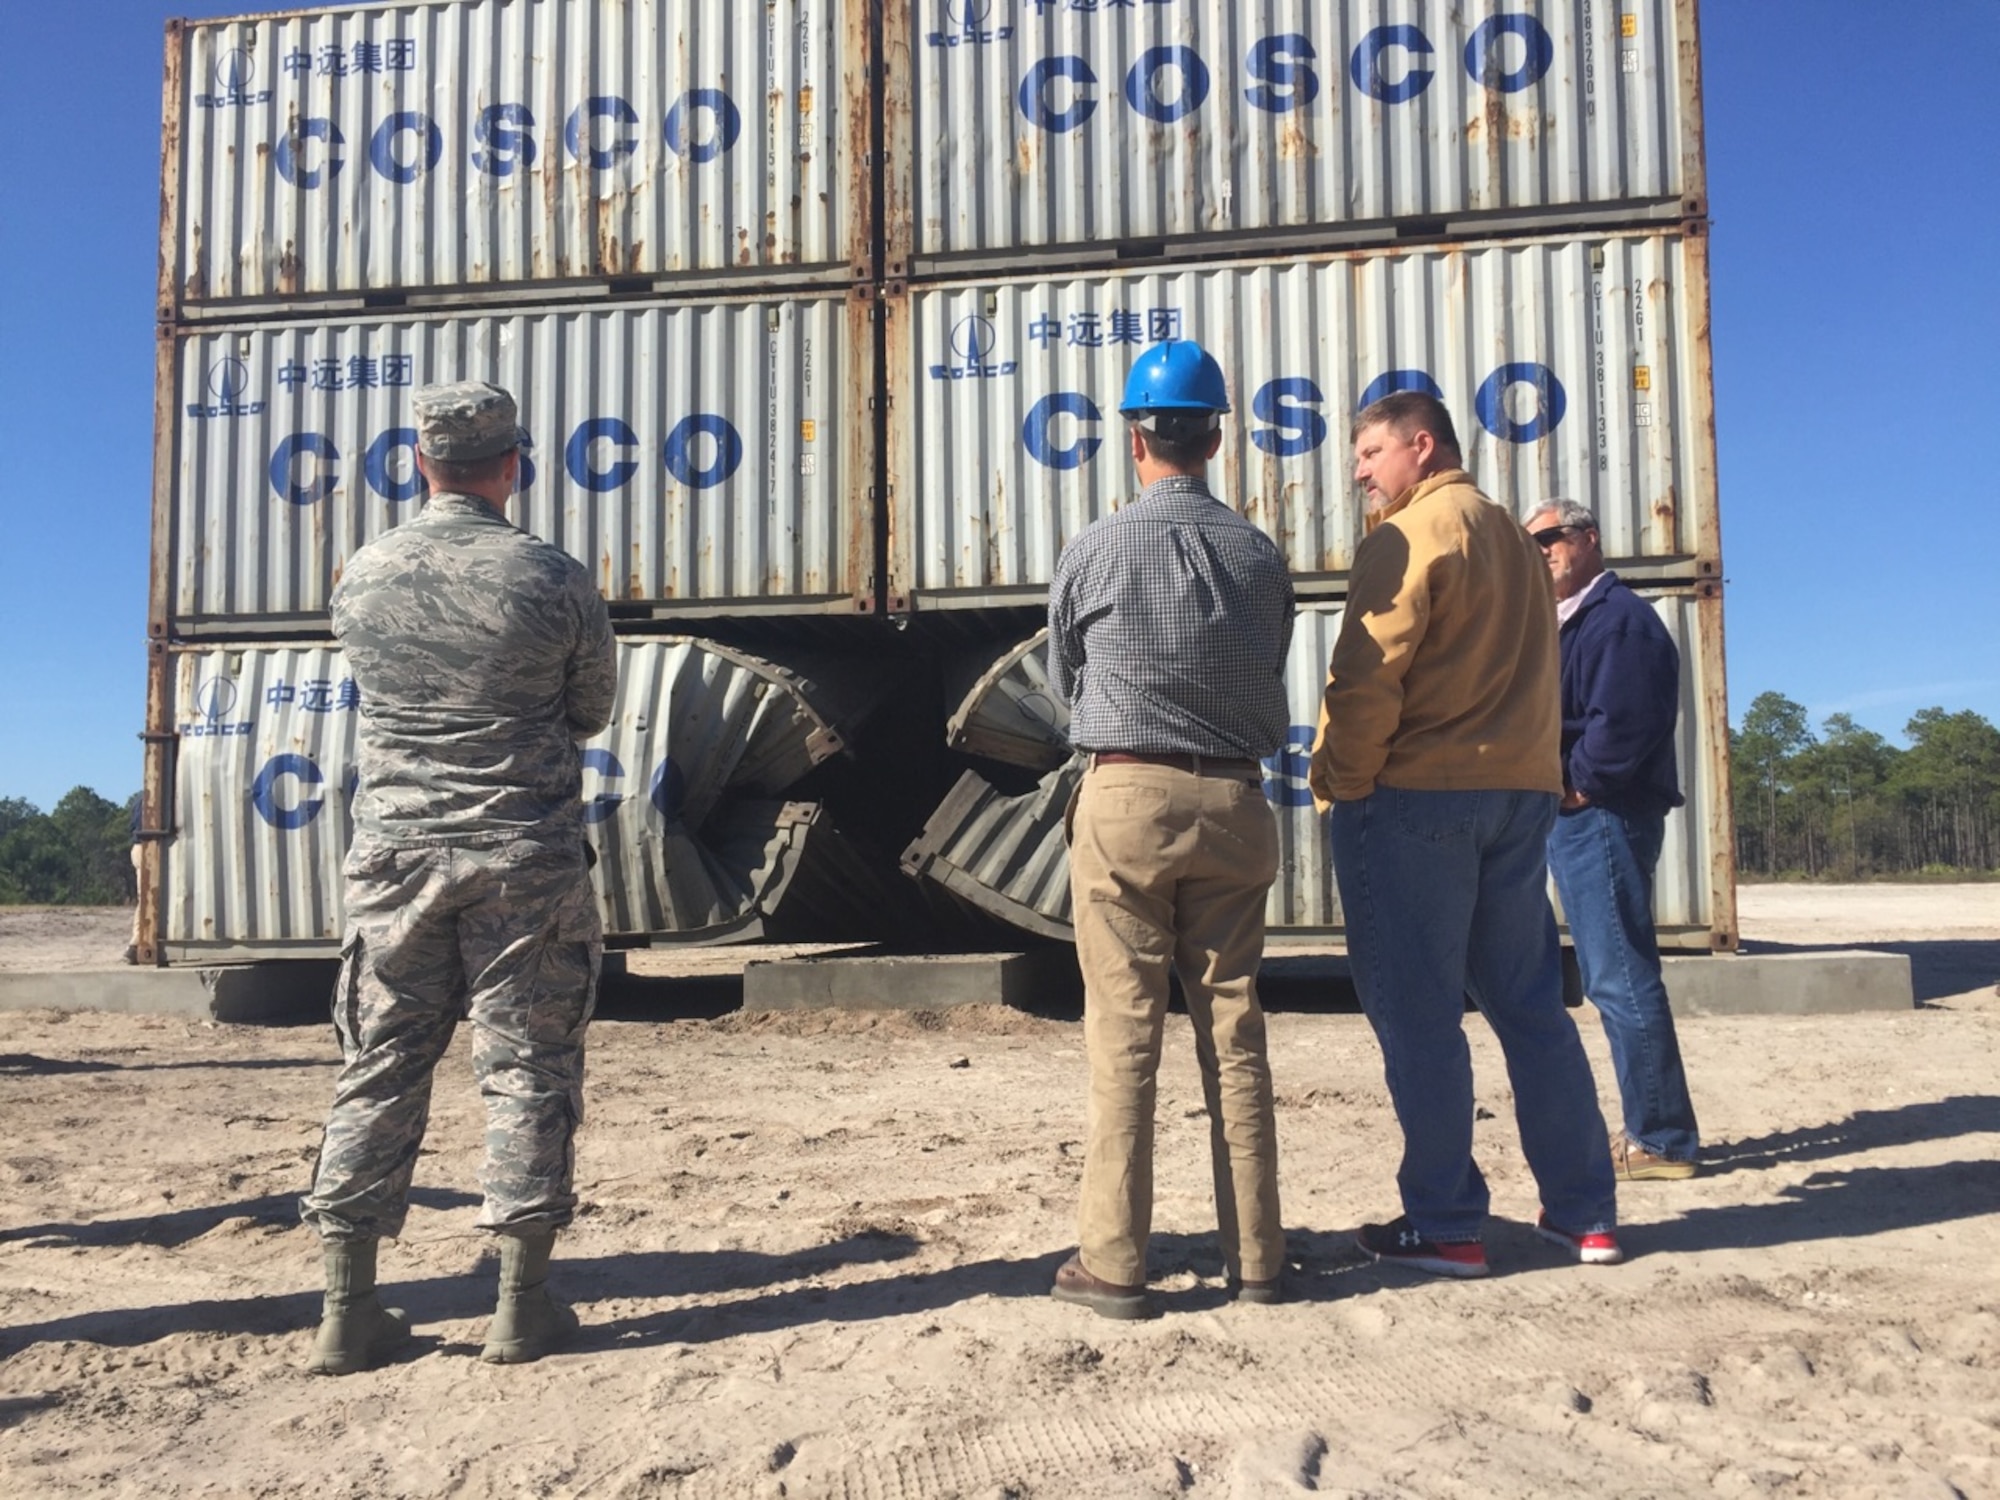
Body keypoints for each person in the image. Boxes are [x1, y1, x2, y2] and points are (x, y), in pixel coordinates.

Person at [299, 381, 617, 1374]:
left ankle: (346, 1312)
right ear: (512, 465)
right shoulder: (552, 577)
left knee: (379, 1062)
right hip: (523, 855)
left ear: (418, 461)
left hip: (393, 861)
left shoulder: (362, 576)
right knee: (526, 1066)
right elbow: (591, 709)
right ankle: (520, 1308)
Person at [1309, 392, 1621, 1277]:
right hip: (1516, 798)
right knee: (1530, 1008)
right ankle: (1583, 1213)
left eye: (1370, 453)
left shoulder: (1409, 537)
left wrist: (1341, 782)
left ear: (1421, 444)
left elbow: (1365, 679)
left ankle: (1446, 1220)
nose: (1361, 472)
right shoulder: (1521, 549)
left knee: (1419, 1017)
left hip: (1415, 800)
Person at [1046, 339, 1296, 1318]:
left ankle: (1112, 1263)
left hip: (1125, 798)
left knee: (1123, 1039)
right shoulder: (1256, 555)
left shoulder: (1094, 547)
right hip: (1236, 804)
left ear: (1134, 436)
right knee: (1233, 1035)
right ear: (1216, 436)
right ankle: (1259, 1258)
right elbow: (1269, 659)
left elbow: (1067, 679)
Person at [1526, 499, 1699, 1180]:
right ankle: (1656, 1131)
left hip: (1601, 816)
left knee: (1619, 975)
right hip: (1581, 815)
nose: (1540, 549)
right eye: (1530, 541)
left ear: (1588, 539)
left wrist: (1577, 788)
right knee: (1612, 974)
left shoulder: (1619, 623)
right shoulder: (1573, 621)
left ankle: (1661, 1140)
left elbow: (1623, 726)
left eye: (1551, 537)